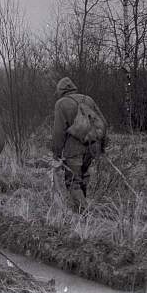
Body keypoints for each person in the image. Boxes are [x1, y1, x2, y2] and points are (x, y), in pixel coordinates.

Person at [53, 77, 107, 212]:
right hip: (92, 146)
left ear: (60, 91)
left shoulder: (61, 103)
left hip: (74, 149)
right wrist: (102, 146)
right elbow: (103, 123)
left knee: (73, 182)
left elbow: (58, 131)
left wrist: (57, 152)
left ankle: (84, 213)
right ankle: (82, 207)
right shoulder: (88, 99)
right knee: (83, 177)